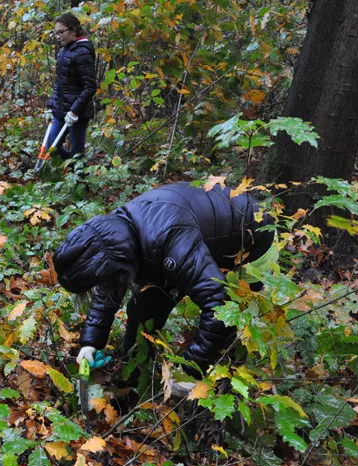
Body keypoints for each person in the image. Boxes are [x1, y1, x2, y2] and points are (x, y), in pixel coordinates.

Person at [52, 182, 276, 380]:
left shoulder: (169, 239)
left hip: (252, 237)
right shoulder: (115, 232)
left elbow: (220, 305)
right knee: (143, 310)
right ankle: (135, 376)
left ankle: (222, 389)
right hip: (194, 237)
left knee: (236, 329)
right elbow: (110, 287)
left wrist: (188, 370)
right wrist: (91, 342)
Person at [45, 12, 97, 160]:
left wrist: (74, 112)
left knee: (77, 153)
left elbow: (90, 87)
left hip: (78, 113)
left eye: (61, 32)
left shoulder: (82, 52)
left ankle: (79, 177)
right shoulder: (65, 50)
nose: (58, 36)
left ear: (73, 30)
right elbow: (60, 82)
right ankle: (70, 168)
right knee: (52, 147)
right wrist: (51, 105)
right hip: (61, 109)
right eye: (56, 33)